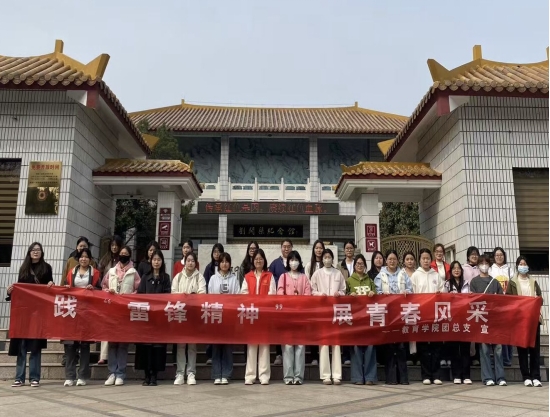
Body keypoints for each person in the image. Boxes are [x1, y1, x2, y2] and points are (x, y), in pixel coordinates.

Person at [6, 242, 54, 388]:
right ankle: (19, 377)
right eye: (33, 250)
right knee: (21, 345)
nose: (35, 252)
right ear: (29, 252)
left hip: (38, 312)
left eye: (38, 250)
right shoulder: (24, 268)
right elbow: (20, 289)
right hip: (24, 312)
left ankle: (34, 377)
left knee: (35, 346)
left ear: (42, 252)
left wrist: (51, 284)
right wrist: (10, 291)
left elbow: (49, 289)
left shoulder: (46, 268)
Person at [62, 247, 101, 387]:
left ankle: (83, 376)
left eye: (86, 257)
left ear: (90, 259)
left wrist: (94, 289)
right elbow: (64, 287)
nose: (84, 259)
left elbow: (101, 290)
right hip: (72, 311)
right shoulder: (71, 272)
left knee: (84, 345)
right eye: (81, 257)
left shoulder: (95, 273)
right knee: (70, 345)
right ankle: (69, 376)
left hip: (87, 312)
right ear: (78, 259)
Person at [101, 245, 141, 386]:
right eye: (121, 253)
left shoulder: (134, 272)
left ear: (129, 256)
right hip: (112, 311)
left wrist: (129, 296)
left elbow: (139, 290)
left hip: (126, 312)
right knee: (112, 344)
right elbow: (103, 286)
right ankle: (111, 373)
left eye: (126, 253)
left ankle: (120, 374)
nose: (123, 255)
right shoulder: (111, 271)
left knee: (123, 344)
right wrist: (109, 292)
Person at [375, 250, 412, 385]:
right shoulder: (380, 275)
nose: (392, 261)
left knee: (401, 346)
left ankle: (403, 378)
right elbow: (377, 292)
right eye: (390, 259)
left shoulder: (403, 274)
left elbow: (410, 290)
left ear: (397, 260)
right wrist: (382, 294)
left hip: (401, 313)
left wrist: (407, 292)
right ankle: (391, 378)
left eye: (394, 259)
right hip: (388, 313)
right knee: (389, 346)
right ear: (386, 260)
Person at [135, 249, 171, 386]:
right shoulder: (145, 277)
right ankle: (146, 375)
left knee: (157, 348)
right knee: (146, 347)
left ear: (162, 262)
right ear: (151, 261)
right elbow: (140, 295)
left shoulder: (166, 278)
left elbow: (168, 296)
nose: (156, 262)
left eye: (159, 260)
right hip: (146, 318)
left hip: (159, 319)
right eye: (154, 259)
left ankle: (154, 375)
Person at [506, 256, 543, 387]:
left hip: (533, 319)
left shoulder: (533, 281)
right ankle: (526, 376)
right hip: (520, 320)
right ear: (517, 266)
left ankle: (536, 376)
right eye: (520, 264)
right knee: (522, 349)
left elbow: (540, 298)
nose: (523, 266)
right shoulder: (512, 282)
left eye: (524, 263)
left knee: (535, 349)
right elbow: (508, 300)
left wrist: (537, 300)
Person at [311, 248, 346, 385]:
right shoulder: (317, 274)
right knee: (324, 343)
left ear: (332, 259)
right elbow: (312, 290)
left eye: (329, 257)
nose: (327, 259)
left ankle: (337, 375)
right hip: (322, 311)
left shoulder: (338, 273)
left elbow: (343, 290)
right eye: (325, 257)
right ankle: (325, 375)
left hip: (336, 311)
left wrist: (339, 294)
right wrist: (320, 294)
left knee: (336, 343)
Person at [470, 254, 506, 386]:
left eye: (486, 263)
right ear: (478, 265)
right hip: (482, 319)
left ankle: (500, 377)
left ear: (489, 265)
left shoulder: (494, 282)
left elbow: (502, 301)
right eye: (481, 263)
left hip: (495, 320)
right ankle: (487, 377)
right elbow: (472, 301)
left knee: (498, 348)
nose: (484, 265)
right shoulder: (474, 282)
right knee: (484, 349)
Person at [410, 248, 445, 385]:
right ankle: (425, 375)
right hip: (421, 314)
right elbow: (412, 295)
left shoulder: (436, 275)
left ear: (431, 260)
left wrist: (440, 294)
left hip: (435, 315)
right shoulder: (415, 276)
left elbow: (443, 291)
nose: (425, 260)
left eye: (427, 258)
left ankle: (436, 375)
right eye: (423, 258)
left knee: (436, 346)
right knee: (423, 346)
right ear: (419, 260)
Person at [242, 249, 276, 385]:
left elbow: (273, 295)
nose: (258, 261)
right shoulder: (247, 276)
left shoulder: (269, 276)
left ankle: (264, 376)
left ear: (264, 261)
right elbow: (243, 294)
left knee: (264, 346)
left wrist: (264, 305)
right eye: (256, 259)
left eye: (260, 259)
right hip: (251, 314)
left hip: (264, 315)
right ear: (253, 261)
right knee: (251, 346)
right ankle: (250, 376)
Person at [277, 250, 312, 385]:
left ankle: (298, 377)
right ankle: (288, 376)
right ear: (288, 262)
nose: (294, 262)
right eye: (291, 260)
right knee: (287, 347)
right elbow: (279, 293)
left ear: (299, 262)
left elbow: (308, 295)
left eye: (296, 260)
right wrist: (290, 301)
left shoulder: (304, 278)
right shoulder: (283, 277)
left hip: (301, 316)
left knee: (300, 347)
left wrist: (299, 301)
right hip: (287, 317)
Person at [173, 252, 206, 385]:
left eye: (192, 261)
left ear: (195, 263)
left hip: (193, 315)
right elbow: (173, 293)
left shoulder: (200, 277)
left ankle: (191, 373)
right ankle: (180, 373)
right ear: (185, 262)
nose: (190, 263)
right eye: (188, 260)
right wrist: (183, 296)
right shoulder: (178, 277)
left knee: (192, 345)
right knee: (180, 345)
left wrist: (193, 296)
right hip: (181, 314)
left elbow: (203, 294)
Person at [209, 252, 241, 385]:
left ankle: (226, 374)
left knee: (228, 347)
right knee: (216, 346)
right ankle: (217, 374)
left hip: (229, 317)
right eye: (222, 261)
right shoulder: (213, 278)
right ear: (219, 263)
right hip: (216, 316)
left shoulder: (234, 279)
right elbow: (209, 296)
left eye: (227, 261)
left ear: (230, 264)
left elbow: (238, 296)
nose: (224, 264)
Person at [347, 254, 377, 385]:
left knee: (370, 347)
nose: (360, 265)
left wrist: (373, 293)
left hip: (368, 318)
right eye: (358, 263)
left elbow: (377, 295)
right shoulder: (349, 280)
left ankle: (370, 377)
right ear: (354, 266)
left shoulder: (370, 280)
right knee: (356, 348)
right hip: (355, 320)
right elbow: (343, 296)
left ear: (365, 266)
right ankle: (357, 377)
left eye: (362, 264)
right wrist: (349, 295)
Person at [445, 261, 472, 385]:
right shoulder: (447, 284)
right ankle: (456, 375)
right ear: (451, 271)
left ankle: (466, 375)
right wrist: (447, 296)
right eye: (454, 268)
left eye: (458, 268)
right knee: (454, 348)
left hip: (465, 319)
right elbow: (442, 301)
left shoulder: (467, 284)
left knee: (465, 348)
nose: (456, 270)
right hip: (453, 320)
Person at [97, 235, 123, 364]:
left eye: (116, 245)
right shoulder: (105, 259)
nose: (114, 247)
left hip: (120, 298)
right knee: (105, 325)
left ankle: (115, 354)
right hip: (106, 296)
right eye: (112, 245)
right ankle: (103, 355)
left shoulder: (122, 260)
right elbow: (100, 278)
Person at [269, 239, 294, 365]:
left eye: (288, 246)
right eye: (284, 246)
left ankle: (290, 354)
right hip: (279, 302)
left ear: (292, 248)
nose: (286, 248)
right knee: (279, 327)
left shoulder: (295, 262)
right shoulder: (275, 263)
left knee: (291, 327)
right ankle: (278, 354)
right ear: (281, 248)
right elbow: (270, 279)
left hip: (293, 303)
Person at [490, 247, 515, 366]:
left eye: (501, 255)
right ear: (494, 257)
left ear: (504, 256)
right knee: (498, 332)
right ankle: (501, 357)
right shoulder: (490, 270)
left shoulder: (509, 270)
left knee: (508, 331)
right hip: (495, 305)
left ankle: (508, 358)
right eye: (497, 255)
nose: (499, 257)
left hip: (508, 304)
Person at [304, 239, 325, 366]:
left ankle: (323, 356)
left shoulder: (327, 264)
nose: (319, 250)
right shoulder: (309, 265)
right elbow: (307, 283)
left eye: (320, 248)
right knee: (313, 329)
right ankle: (314, 356)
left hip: (325, 302)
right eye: (316, 248)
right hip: (313, 301)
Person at [431, 244, 451, 368]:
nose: (439, 253)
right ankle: (439, 357)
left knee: (446, 327)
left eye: (441, 251)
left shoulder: (447, 266)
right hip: (434, 299)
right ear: (434, 253)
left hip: (445, 299)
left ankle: (447, 356)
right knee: (437, 328)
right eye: (437, 251)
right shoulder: (430, 266)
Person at [462, 247, 481, 366]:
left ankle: (476, 356)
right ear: (468, 256)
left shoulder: (481, 268)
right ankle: (468, 356)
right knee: (468, 328)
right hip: (466, 302)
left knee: (477, 329)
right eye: (472, 254)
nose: (474, 256)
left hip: (478, 303)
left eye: (476, 254)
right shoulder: (463, 268)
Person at [401, 251, 418, 367]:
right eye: (407, 259)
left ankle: (417, 356)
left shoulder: (418, 273)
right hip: (405, 306)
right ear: (404, 261)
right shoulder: (401, 274)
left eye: (411, 259)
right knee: (407, 330)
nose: (410, 261)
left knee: (417, 331)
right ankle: (408, 356)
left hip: (417, 305)